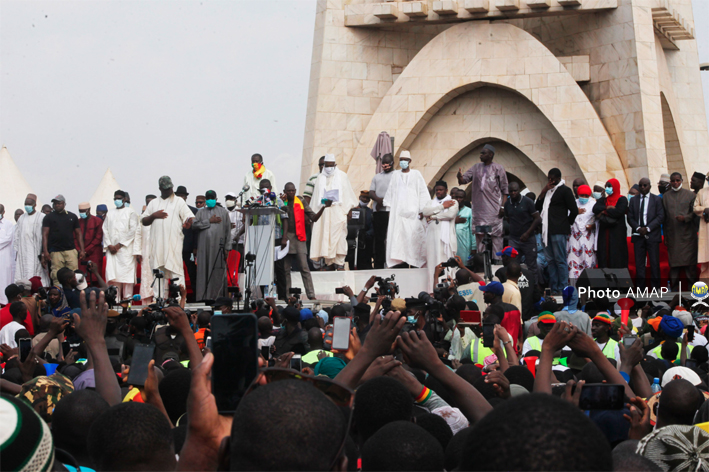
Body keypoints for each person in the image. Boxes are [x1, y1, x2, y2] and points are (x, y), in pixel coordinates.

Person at [141, 176, 195, 298]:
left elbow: (189, 217)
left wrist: (188, 222)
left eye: (170, 188)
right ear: (160, 188)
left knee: (176, 271)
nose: (168, 191)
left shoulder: (179, 201)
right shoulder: (154, 203)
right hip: (157, 246)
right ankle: (158, 299)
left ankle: (179, 300)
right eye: (165, 189)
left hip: (173, 245)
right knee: (158, 273)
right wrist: (154, 215)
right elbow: (144, 221)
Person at [457, 143, 508, 258]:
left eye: (483, 153)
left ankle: (497, 261)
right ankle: (481, 262)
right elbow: (464, 180)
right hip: (479, 211)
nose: (480, 155)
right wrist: (459, 177)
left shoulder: (498, 168)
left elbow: (505, 189)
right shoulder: (475, 167)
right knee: (480, 236)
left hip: (494, 211)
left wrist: (503, 206)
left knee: (496, 236)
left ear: (490, 155)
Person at [309, 154, 357, 270]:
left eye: (331, 165)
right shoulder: (320, 178)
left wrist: (349, 210)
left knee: (340, 237)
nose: (329, 168)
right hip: (325, 212)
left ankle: (340, 263)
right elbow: (315, 199)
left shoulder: (342, 176)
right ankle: (329, 263)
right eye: (327, 165)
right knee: (326, 237)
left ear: (335, 165)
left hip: (338, 212)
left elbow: (348, 195)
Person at [383, 150, 429, 268]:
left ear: (410, 161)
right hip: (398, 214)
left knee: (414, 239)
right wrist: (389, 212)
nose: (403, 162)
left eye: (405, 160)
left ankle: (415, 264)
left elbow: (423, 192)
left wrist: (422, 210)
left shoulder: (416, 174)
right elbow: (390, 193)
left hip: (414, 215)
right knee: (399, 240)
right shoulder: (395, 175)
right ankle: (400, 263)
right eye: (401, 160)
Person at [535, 168, 578, 294]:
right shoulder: (547, 192)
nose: (551, 181)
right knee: (551, 261)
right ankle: (554, 288)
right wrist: (543, 191)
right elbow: (537, 207)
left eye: (553, 179)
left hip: (559, 230)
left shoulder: (565, 190)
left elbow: (574, 210)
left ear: (559, 178)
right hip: (546, 231)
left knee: (560, 260)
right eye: (549, 179)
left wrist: (566, 223)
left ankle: (563, 287)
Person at [282, 182, 327, 299]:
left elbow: (314, 218)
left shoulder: (301, 201)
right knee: (286, 269)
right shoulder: (281, 202)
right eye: (289, 191)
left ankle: (311, 295)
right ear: (285, 192)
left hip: (299, 237)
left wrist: (323, 207)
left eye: (293, 191)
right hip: (285, 237)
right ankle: (288, 295)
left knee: (304, 267)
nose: (291, 193)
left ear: (295, 190)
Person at [192, 190, 232, 302]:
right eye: (208, 198)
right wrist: (209, 221)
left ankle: (217, 297)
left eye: (212, 198)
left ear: (216, 199)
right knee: (203, 272)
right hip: (203, 249)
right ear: (205, 200)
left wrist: (227, 248)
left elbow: (227, 231)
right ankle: (202, 298)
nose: (210, 200)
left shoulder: (223, 212)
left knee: (217, 272)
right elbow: (194, 225)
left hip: (218, 248)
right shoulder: (200, 213)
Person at [628, 177, 664, 289]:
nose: (643, 187)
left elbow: (660, 217)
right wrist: (638, 228)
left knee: (654, 263)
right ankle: (641, 288)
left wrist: (648, 228)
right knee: (639, 264)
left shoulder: (656, 200)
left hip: (652, 235)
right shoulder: (633, 200)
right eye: (641, 185)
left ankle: (655, 288)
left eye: (645, 185)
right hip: (638, 235)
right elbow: (630, 217)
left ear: (650, 186)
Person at [42, 194, 85, 286]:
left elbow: (78, 233)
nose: (57, 205)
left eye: (59, 203)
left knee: (73, 274)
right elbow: (45, 235)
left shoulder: (72, 216)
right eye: (55, 203)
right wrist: (45, 251)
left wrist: (82, 250)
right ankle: (59, 294)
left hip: (70, 250)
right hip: (55, 251)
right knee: (56, 275)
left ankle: (74, 293)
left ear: (64, 204)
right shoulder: (48, 217)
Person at [103, 190, 138, 300]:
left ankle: (127, 305)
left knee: (127, 279)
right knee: (114, 279)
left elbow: (133, 230)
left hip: (125, 251)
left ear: (124, 199)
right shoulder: (110, 213)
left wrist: (119, 245)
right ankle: (115, 303)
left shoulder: (131, 212)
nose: (116, 200)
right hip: (112, 251)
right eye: (115, 198)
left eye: (118, 198)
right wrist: (109, 245)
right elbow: (105, 229)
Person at [422, 181, 458, 289]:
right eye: (437, 190)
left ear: (446, 190)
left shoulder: (453, 202)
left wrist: (433, 217)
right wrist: (442, 206)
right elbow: (425, 212)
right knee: (432, 263)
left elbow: (450, 214)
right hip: (432, 238)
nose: (438, 192)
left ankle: (449, 289)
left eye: (441, 190)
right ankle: (432, 289)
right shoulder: (430, 202)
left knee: (446, 263)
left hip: (445, 239)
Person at [504, 182, 540, 281]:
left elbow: (537, 219)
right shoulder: (507, 204)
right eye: (511, 191)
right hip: (514, 239)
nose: (513, 193)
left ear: (519, 190)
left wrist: (527, 233)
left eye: (515, 191)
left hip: (528, 238)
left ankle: (535, 290)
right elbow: (508, 219)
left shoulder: (528, 201)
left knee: (532, 266)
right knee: (513, 266)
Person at [594, 178, 629, 269]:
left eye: (609, 186)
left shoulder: (622, 199)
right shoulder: (603, 200)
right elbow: (595, 209)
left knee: (617, 257)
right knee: (604, 257)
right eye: (606, 186)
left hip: (617, 234)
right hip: (604, 233)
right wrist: (608, 208)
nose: (607, 188)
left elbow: (618, 212)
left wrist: (603, 212)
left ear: (615, 187)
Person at [567, 184, 597, 283]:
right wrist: (575, 212)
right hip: (574, 239)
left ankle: (588, 291)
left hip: (588, 239)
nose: (584, 198)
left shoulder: (593, 204)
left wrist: (593, 226)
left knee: (588, 262)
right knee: (573, 263)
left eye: (586, 196)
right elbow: (567, 219)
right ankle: (574, 290)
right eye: (582, 195)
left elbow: (598, 220)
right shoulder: (573, 204)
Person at [369, 153, 394, 269]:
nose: (385, 165)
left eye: (387, 163)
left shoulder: (396, 176)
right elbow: (371, 192)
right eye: (383, 163)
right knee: (379, 238)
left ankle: (391, 262)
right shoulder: (376, 177)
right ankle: (379, 263)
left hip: (391, 211)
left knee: (391, 237)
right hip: (378, 212)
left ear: (392, 163)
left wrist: (383, 202)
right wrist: (378, 200)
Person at [175, 185, 198, 301]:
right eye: (178, 195)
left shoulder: (193, 211)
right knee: (176, 274)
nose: (180, 197)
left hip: (189, 249)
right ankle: (178, 297)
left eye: (182, 196)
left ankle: (195, 297)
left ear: (185, 197)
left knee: (192, 274)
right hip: (175, 248)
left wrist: (195, 248)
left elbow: (196, 231)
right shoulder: (172, 211)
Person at [133, 194, 157, 303]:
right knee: (146, 278)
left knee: (158, 278)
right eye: (148, 202)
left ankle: (158, 299)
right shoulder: (143, 218)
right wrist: (138, 252)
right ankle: (146, 303)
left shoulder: (162, 216)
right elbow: (138, 235)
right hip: (145, 253)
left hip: (158, 254)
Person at [75, 201, 104, 285]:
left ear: (89, 210)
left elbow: (98, 238)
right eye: (80, 211)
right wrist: (80, 250)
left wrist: (85, 251)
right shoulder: (77, 222)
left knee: (95, 277)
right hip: (80, 255)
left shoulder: (97, 221)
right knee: (81, 277)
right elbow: (74, 238)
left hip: (94, 253)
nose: (82, 213)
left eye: (84, 211)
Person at [347, 190, 374, 270]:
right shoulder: (352, 210)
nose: (365, 200)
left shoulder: (371, 212)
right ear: (359, 198)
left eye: (367, 198)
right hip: (353, 243)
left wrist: (366, 235)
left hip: (366, 244)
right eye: (363, 197)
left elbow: (373, 227)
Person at [453, 188, 475, 262]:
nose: (458, 199)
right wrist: (454, 221)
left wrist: (474, 247)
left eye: (461, 197)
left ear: (464, 198)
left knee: (464, 266)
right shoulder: (449, 211)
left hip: (465, 245)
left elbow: (473, 230)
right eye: (456, 197)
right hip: (451, 244)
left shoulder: (469, 212)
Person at [0, 204, 15, 304]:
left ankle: (4, 301)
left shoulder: (8, 224)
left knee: (4, 278)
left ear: (3, 212)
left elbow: (7, 239)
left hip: (4, 257)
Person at [696, 173, 709, 280]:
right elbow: (695, 208)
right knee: (706, 264)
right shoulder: (702, 192)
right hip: (706, 232)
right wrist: (705, 210)